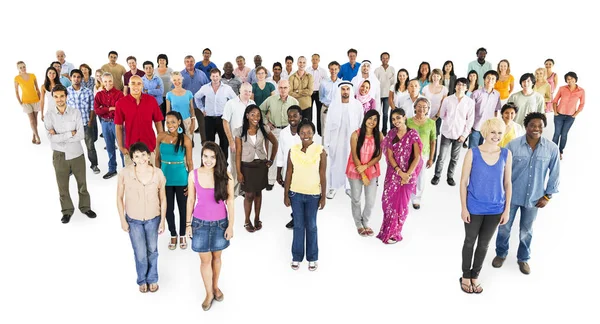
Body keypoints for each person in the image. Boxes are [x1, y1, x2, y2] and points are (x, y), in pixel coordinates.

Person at [492, 112, 560, 275]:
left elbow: (555, 173)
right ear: (526, 126)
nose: (536, 128)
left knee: (527, 230)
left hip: (535, 198)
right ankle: (500, 254)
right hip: (511, 196)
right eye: (532, 125)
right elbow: (500, 170)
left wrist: (547, 195)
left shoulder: (551, 148)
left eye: (539, 126)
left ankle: (523, 258)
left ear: (544, 128)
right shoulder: (513, 146)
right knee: (504, 227)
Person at [459, 118, 512, 294]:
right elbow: (463, 181)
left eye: (499, 133)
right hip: (474, 207)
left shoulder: (506, 154)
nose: (496, 136)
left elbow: (508, 183)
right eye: (492, 132)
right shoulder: (472, 153)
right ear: (485, 133)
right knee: (469, 242)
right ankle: (466, 275)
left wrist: (507, 209)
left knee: (483, 245)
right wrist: (464, 208)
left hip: (496, 209)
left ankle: (476, 276)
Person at [185, 141, 234, 311]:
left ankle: (215, 286)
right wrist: (188, 224)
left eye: (212, 157)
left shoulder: (226, 176)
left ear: (217, 158)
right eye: (205, 156)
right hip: (200, 224)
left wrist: (230, 226)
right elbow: (190, 200)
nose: (208, 160)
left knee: (217, 258)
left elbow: (231, 202)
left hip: (220, 223)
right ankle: (208, 293)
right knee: (205, 261)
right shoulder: (194, 174)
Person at [117, 141, 166, 294]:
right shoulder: (125, 173)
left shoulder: (157, 173)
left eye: (143, 155)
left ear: (149, 156)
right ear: (132, 158)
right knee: (140, 252)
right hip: (134, 220)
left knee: (152, 250)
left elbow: (163, 198)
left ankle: (153, 278)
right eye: (136, 156)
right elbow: (119, 197)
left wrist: (162, 220)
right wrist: (122, 220)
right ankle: (142, 279)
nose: (141, 159)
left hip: (153, 218)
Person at [44, 84, 96, 224]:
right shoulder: (48, 116)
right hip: (59, 155)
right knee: (62, 186)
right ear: (53, 98)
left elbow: (80, 135)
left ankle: (85, 207)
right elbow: (50, 138)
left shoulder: (75, 113)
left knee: (82, 184)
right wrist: (69, 134)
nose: (59, 99)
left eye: (62, 96)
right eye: (56, 97)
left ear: (66, 96)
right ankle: (66, 211)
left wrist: (60, 136)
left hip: (77, 154)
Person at [284, 119, 327, 271]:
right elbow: (289, 172)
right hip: (295, 193)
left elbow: (322, 174)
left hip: (313, 195)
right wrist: (286, 194)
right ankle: (296, 256)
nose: (306, 135)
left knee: (312, 226)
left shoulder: (320, 151)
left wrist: (323, 196)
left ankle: (312, 257)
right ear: (298, 134)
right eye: (302, 132)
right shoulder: (293, 150)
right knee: (298, 226)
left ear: (314, 133)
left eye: (309, 132)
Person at [377, 108, 423, 244]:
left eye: (398, 118)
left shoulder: (412, 134)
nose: (396, 121)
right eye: (393, 119)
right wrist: (399, 172)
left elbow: (417, 156)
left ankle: (395, 233)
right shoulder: (391, 134)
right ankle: (387, 230)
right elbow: (390, 156)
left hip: (409, 176)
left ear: (404, 117)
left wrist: (407, 174)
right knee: (387, 202)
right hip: (393, 174)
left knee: (401, 205)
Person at [235, 105, 278, 232]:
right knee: (249, 194)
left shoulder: (263, 128)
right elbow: (237, 153)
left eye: (258, 115)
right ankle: (247, 220)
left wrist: (270, 159)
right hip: (247, 166)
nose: (256, 117)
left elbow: (275, 143)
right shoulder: (239, 131)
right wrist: (238, 172)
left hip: (260, 165)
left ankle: (257, 218)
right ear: (247, 116)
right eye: (253, 114)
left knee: (258, 192)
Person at [155, 111, 193, 251]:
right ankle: (173, 234)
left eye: (173, 122)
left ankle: (182, 234)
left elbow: (190, 162)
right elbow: (157, 158)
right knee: (168, 209)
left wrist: (191, 183)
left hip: (181, 179)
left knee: (183, 209)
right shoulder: (161, 136)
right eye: (167, 122)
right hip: (165, 179)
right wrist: (157, 179)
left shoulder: (186, 139)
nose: (170, 125)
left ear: (179, 122)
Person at [431, 78, 475, 186]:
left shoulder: (469, 102)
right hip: (447, 132)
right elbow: (442, 114)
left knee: (454, 158)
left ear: (467, 88)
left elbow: (470, 120)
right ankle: (437, 176)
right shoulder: (448, 99)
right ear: (455, 86)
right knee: (441, 156)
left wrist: (464, 135)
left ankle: (450, 177)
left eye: (463, 85)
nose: (461, 87)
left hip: (460, 135)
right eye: (459, 84)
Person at [324, 82, 364, 199]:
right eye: (343, 89)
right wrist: (326, 144)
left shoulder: (357, 105)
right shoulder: (333, 105)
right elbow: (328, 125)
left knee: (351, 162)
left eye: (347, 89)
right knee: (335, 162)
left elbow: (361, 124)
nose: (345, 91)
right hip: (336, 141)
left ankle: (349, 187)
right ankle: (333, 187)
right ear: (339, 91)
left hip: (352, 141)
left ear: (351, 91)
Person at [346, 110, 383, 236]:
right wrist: (362, 173)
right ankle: (358, 223)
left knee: (370, 201)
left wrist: (366, 167)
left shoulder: (379, 135)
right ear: (365, 118)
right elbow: (354, 155)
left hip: (371, 170)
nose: (372, 122)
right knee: (356, 199)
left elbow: (378, 156)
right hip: (355, 169)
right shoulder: (355, 135)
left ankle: (365, 221)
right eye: (370, 118)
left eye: (375, 119)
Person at [115, 75, 165, 166]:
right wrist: (121, 146)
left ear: (142, 85)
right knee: (131, 178)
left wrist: (160, 144)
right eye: (133, 83)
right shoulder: (121, 103)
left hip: (150, 147)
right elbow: (118, 126)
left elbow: (158, 122)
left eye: (139, 84)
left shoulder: (151, 100)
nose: (136, 86)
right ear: (129, 85)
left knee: (152, 176)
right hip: (130, 148)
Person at [260, 80, 299, 190]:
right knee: (273, 155)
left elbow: (298, 117)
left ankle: (287, 178)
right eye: (281, 87)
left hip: (288, 130)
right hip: (275, 130)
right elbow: (261, 110)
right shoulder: (271, 100)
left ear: (289, 88)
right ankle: (270, 180)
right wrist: (267, 122)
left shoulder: (294, 101)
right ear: (278, 88)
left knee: (289, 154)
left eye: (285, 87)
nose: (283, 90)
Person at [194, 68, 237, 159]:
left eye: (217, 76)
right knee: (210, 143)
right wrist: (202, 109)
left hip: (222, 119)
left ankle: (224, 163)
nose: (215, 78)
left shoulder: (227, 88)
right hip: (209, 118)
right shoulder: (205, 88)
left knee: (224, 142)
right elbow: (196, 97)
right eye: (213, 76)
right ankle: (211, 162)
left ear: (220, 77)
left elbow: (235, 100)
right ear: (210, 77)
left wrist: (230, 113)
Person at [276, 106, 307, 229]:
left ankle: (302, 217)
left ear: (300, 117)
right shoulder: (284, 133)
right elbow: (281, 153)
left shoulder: (306, 132)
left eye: (295, 116)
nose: (292, 118)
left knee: (303, 195)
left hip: (304, 172)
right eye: (289, 116)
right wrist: (278, 172)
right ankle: (296, 217)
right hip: (288, 173)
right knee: (292, 195)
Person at [223, 82, 255, 197]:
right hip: (236, 141)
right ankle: (232, 192)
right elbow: (225, 122)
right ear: (240, 91)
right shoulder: (231, 104)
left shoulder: (252, 103)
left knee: (246, 167)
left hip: (249, 142)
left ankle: (243, 190)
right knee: (235, 168)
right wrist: (231, 141)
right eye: (245, 91)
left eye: (250, 91)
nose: (247, 93)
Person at [67, 69, 100, 174]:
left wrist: (91, 121)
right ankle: (72, 168)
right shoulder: (66, 92)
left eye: (78, 77)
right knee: (72, 147)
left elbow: (92, 108)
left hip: (86, 123)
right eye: (74, 76)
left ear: (81, 79)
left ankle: (94, 165)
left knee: (90, 146)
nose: (76, 79)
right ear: (71, 78)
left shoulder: (88, 92)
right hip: (72, 125)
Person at [94, 72, 125, 179]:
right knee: (110, 147)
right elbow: (97, 110)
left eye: (110, 81)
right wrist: (110, 108)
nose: (108, 83)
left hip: (117, 123)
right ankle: (112, 169)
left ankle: (126, 169)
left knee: (122, 146)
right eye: (105, 81)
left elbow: (120, 110)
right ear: (102, 82)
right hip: (105, 123)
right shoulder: (99, 95)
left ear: (113, 81)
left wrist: (104, 108)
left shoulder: (119, 94)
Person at [407, 98, 436, 209]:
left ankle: (417, 198)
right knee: (409, 174)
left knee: (420, 177)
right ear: (415, 107)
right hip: (409, 154)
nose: (421, 109)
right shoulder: (408, 121)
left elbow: (433, 141)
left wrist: (431, 158)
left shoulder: (431, 123)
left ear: (428, 109)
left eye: (424, 107)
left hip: (423, 154)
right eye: (419, 106)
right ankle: (407, 194)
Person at [552, 71, 585, 160]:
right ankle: (553, 152)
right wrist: (555, 112)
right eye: (568, 79)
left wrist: (575, 114)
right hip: (559, 115)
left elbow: (582, 104)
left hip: (570, 117)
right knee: (556, 134)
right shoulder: (562, 88)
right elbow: (555, 101)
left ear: (575, 79)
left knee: (564, 134)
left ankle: (560, 151)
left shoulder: (581, 91)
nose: (570, 80)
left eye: (571, 78)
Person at [469, 70, 501, 148]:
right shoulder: (476, 93)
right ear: (484, 79)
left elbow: (496, 110)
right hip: (475, 126)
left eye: (493, 78)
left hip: (488, 128)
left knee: (482, 149)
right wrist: (469, 126)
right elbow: (469, 110)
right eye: (488, 78)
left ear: (496, 81)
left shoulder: (497, 94)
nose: (490, 80)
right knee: (472, 150)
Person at [182, 55, 209, 143]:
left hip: (200, 104)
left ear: (194, 62)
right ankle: (190, 141)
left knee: (202, 124)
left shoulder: (201, 74)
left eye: (191, 61)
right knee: (188, 124)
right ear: (184, 63)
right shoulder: (180, 75)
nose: (189, 63)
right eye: (187, 61)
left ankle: (204, 141)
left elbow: (207, 87)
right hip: (186, 105)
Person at [14, 61, 42, 144]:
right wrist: (20, 103)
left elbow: (37, 88)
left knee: (35, 119)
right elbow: (16, 91)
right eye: (20, 67)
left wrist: (40, 99)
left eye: (24, 66)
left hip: (36, 100)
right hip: (26, 102)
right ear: (18, 69)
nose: (23, 68)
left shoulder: (32, 75)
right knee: (32, 121)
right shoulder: (17, 78)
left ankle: (34, 135)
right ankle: (38, 137)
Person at [167, 71, 196, 142]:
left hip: (187, 121)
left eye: (178, 79)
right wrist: (168, 125)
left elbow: (192, 109)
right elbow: (168, 111)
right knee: (176, 144)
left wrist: (193, 123)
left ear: (182, 79)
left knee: (188, 144)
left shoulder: (189, 93)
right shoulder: (169, 94)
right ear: (172, 81)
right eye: (174, 80)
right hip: (175, 122)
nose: (177, 82)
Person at [319, 61, 342, 138]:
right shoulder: (323, 83)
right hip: (326, 108)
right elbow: (321, 97)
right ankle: (324, 149)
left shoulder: (341, 83)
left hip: (337, 109)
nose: (333, 71)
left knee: (336, 130)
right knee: (325, 131)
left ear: (338, 70)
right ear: (329, 70)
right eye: (332, 69)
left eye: (335, 69)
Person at [374, 52, 396, 135]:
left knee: (386, 114)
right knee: (378, 113)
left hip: (387, 95)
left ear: (389, 59)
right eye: (383, 58)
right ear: (381, 59)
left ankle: (384, 130)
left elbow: (394, 82)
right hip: (379, 95)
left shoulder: (392, 69)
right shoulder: (377, 70)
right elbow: (375, 83)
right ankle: (376, 130)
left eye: (387, 58)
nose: (385, 59)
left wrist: (392, 94)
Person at [289, 56, 315, 122]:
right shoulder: (292, 77)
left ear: (306, 64)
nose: (302, 64)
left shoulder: (310, 77)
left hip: (307, 106)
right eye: (300, 62)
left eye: (304, 62)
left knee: (307, 126)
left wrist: (297, 91)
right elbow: (289, 93)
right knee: (295, 127)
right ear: (297, 63)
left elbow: (310, 92)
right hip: (295, 106)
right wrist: (304, 92)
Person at [307, 54, 327, 135]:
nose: (315, 61)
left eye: (316, 59)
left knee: (320, 112)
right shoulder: (307, 70)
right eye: (313, 59)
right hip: (310, 93)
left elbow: (326, 83)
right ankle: (309, 131)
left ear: (319, 60)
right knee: (309, 112)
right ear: (311, 60)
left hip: (319, 92)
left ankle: (320, 131)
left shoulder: (323, 71)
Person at [156, 54, 173, 123]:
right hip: (159, 96)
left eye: (163, 60)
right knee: (161, 115)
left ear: (166, 61)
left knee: (169, 114)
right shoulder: (154, 71)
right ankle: (162, 131)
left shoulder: (170, 70)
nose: (162, 61)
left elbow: (174, 80)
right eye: (160, 60)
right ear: (158, 61)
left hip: (168, 95)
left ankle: (171, 131)